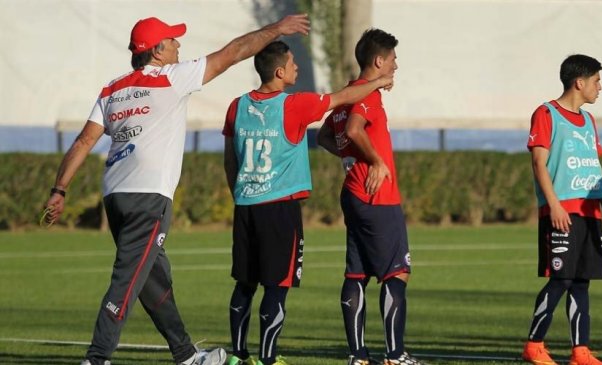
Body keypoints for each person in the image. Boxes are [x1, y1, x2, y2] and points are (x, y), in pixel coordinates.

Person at [42, 15, 310, 365]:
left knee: (154, 281)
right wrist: (276, 29)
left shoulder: (113, 88)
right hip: (148, 199)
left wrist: (60, 189)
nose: (178, 46)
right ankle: (96, 357)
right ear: (156, 51)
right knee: (128, 279)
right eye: (172, 41)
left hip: (116, 199)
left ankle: (186, 355)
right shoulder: (172, 78)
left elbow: (83, 141)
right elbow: (233, 53)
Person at [222, 41, 392, 365]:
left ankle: (238, 356)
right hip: (279, 209)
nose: (297, 67)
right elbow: (343, 97)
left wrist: (240, 194)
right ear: (279, 71)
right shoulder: (294, 105)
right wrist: (379, 82)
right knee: (277, 285)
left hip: (245, 206)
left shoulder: (236, 106)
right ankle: (268, 359)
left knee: (244, 282)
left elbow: (230, 161)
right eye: (292, 62)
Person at [317, 29, 425, 365]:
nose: (396, 65)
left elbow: (324, 136)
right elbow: (352, 130)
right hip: (377, 196)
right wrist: (375, 161)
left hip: (353, 193)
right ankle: (395, 356)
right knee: (396, 273)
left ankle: (358, 357)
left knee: (356, 274)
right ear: (378, 61)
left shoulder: (348, 93)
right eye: (392, 59)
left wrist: (351, 159)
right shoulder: (369, 96)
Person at [522, 54, 602, 365]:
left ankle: (580, 352)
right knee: (560, 279)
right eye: (597, 81)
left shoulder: (589, 121)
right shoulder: (546, 113)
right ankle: (534, 345)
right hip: (562, 211)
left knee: (581, 282)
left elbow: (595, 166)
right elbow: (538, 162)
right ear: (580, 82)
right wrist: (554, 206)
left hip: (591, 213)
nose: (600, 87)